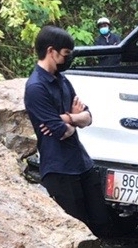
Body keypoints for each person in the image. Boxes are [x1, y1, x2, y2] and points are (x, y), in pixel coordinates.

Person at [24, 25, 112, 237]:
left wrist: (67, 118)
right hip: (59, 168)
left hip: (81, 162)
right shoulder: (36, 88)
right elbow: (60, 132)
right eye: (66, 54)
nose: (68, 59)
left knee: (102, 221)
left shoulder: (62, 81)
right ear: (51, 51)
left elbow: (88, 117)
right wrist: (71, 121)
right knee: (76, 230)